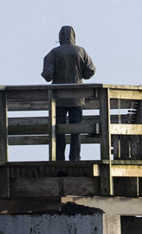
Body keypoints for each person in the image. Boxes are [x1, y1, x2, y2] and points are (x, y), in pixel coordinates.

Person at [41, 25, 96, 161]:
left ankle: (59, 158)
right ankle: (75, 157)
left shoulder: (53, 53)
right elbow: (91, 71)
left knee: (58, 130)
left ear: (60, 37)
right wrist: (80, 75)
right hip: (77, 98)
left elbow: (47, 75)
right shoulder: (81, 51)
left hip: (58, 98)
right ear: (74, 36)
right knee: (76, 130)